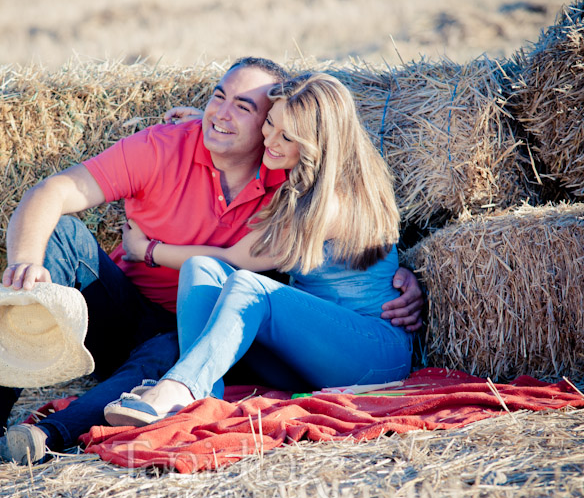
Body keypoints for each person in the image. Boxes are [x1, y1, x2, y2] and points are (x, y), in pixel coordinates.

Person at [0, 58, 423, 464]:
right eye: (218, 98)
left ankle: (59, 431)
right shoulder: (168, 146)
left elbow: (326, 229)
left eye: (248, 110)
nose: (226, 114)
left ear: (281, 128)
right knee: (68, 236)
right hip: (122, 311)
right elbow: (54, 191)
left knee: (216, 306)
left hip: (214, 333)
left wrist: (413, 279)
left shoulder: (290, 186)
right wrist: (25, 262)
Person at [104, 72, 412, 426]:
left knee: (249, 286)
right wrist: (215, 129)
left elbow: (235, 258)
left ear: (317, 146)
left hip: (371, 355)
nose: (270, 140)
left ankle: (179, 386)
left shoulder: (329, 206)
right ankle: (200, 394)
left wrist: (146, 250)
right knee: (200, 268)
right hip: (311, 355)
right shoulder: (307, 181)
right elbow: (217, 259)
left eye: (287, 136)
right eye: (269, 123)